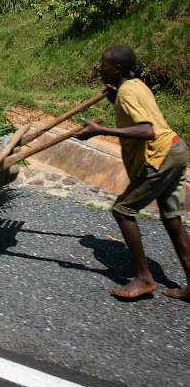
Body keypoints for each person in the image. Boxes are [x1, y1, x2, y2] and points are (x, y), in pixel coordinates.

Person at [74, 45, 189, 302]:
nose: (100, 67)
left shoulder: (127, 92)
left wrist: (99, 131)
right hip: (176, 149)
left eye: (103, 64)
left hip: (159, 157)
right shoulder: (135, 85)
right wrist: (114, 97)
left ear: (117, 69)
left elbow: (146, 130)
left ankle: (143, 279)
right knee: (172, 219)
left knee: (122, 211)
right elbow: (137, 113)